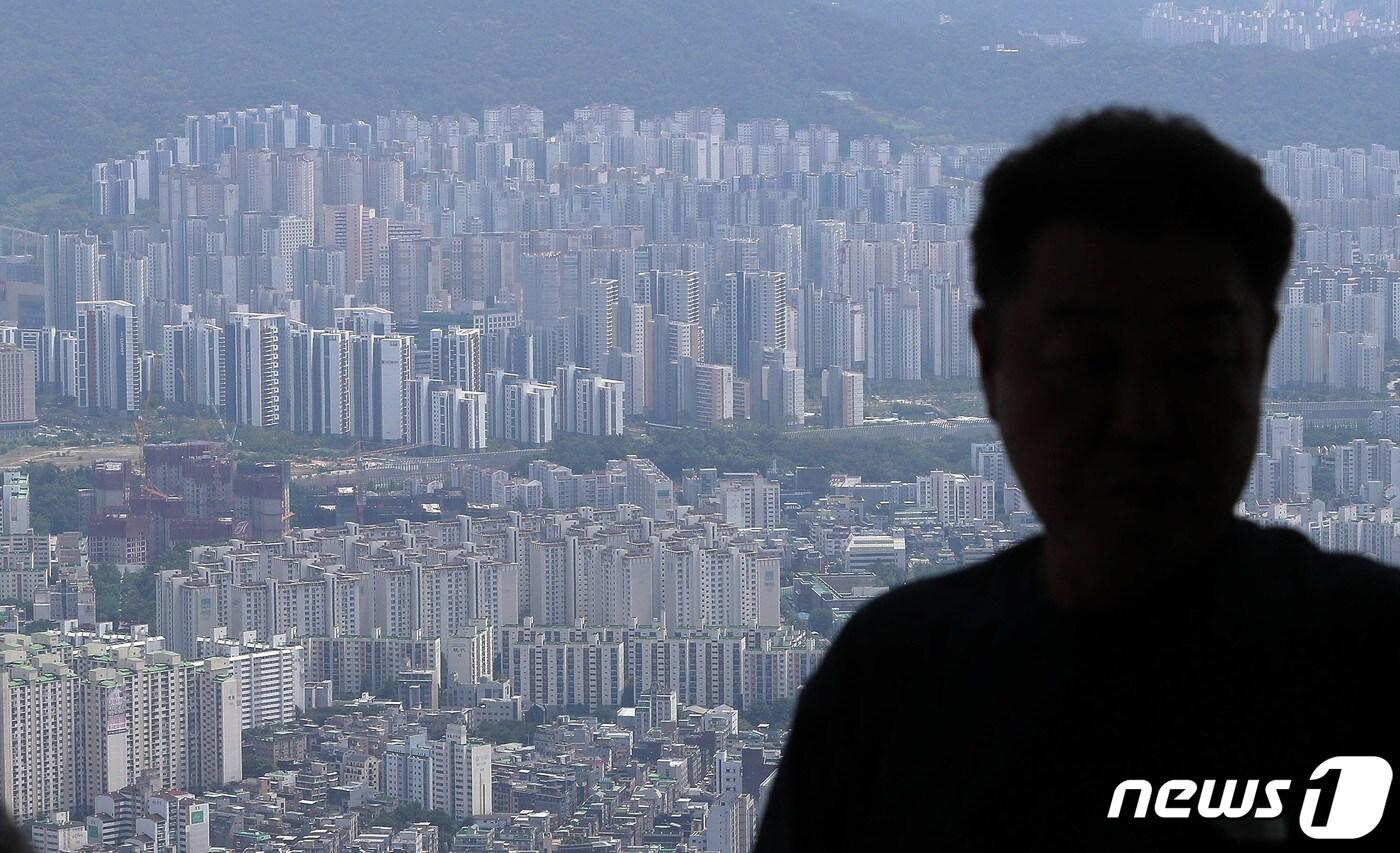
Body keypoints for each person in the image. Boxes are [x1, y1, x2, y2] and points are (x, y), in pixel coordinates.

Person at [752, 107, 1400, 849]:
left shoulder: (1376, 663)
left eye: (1199, 357)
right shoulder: (891, 684)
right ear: (991, 361)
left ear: (1262, 356)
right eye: (1085, 360)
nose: (1142, 418)